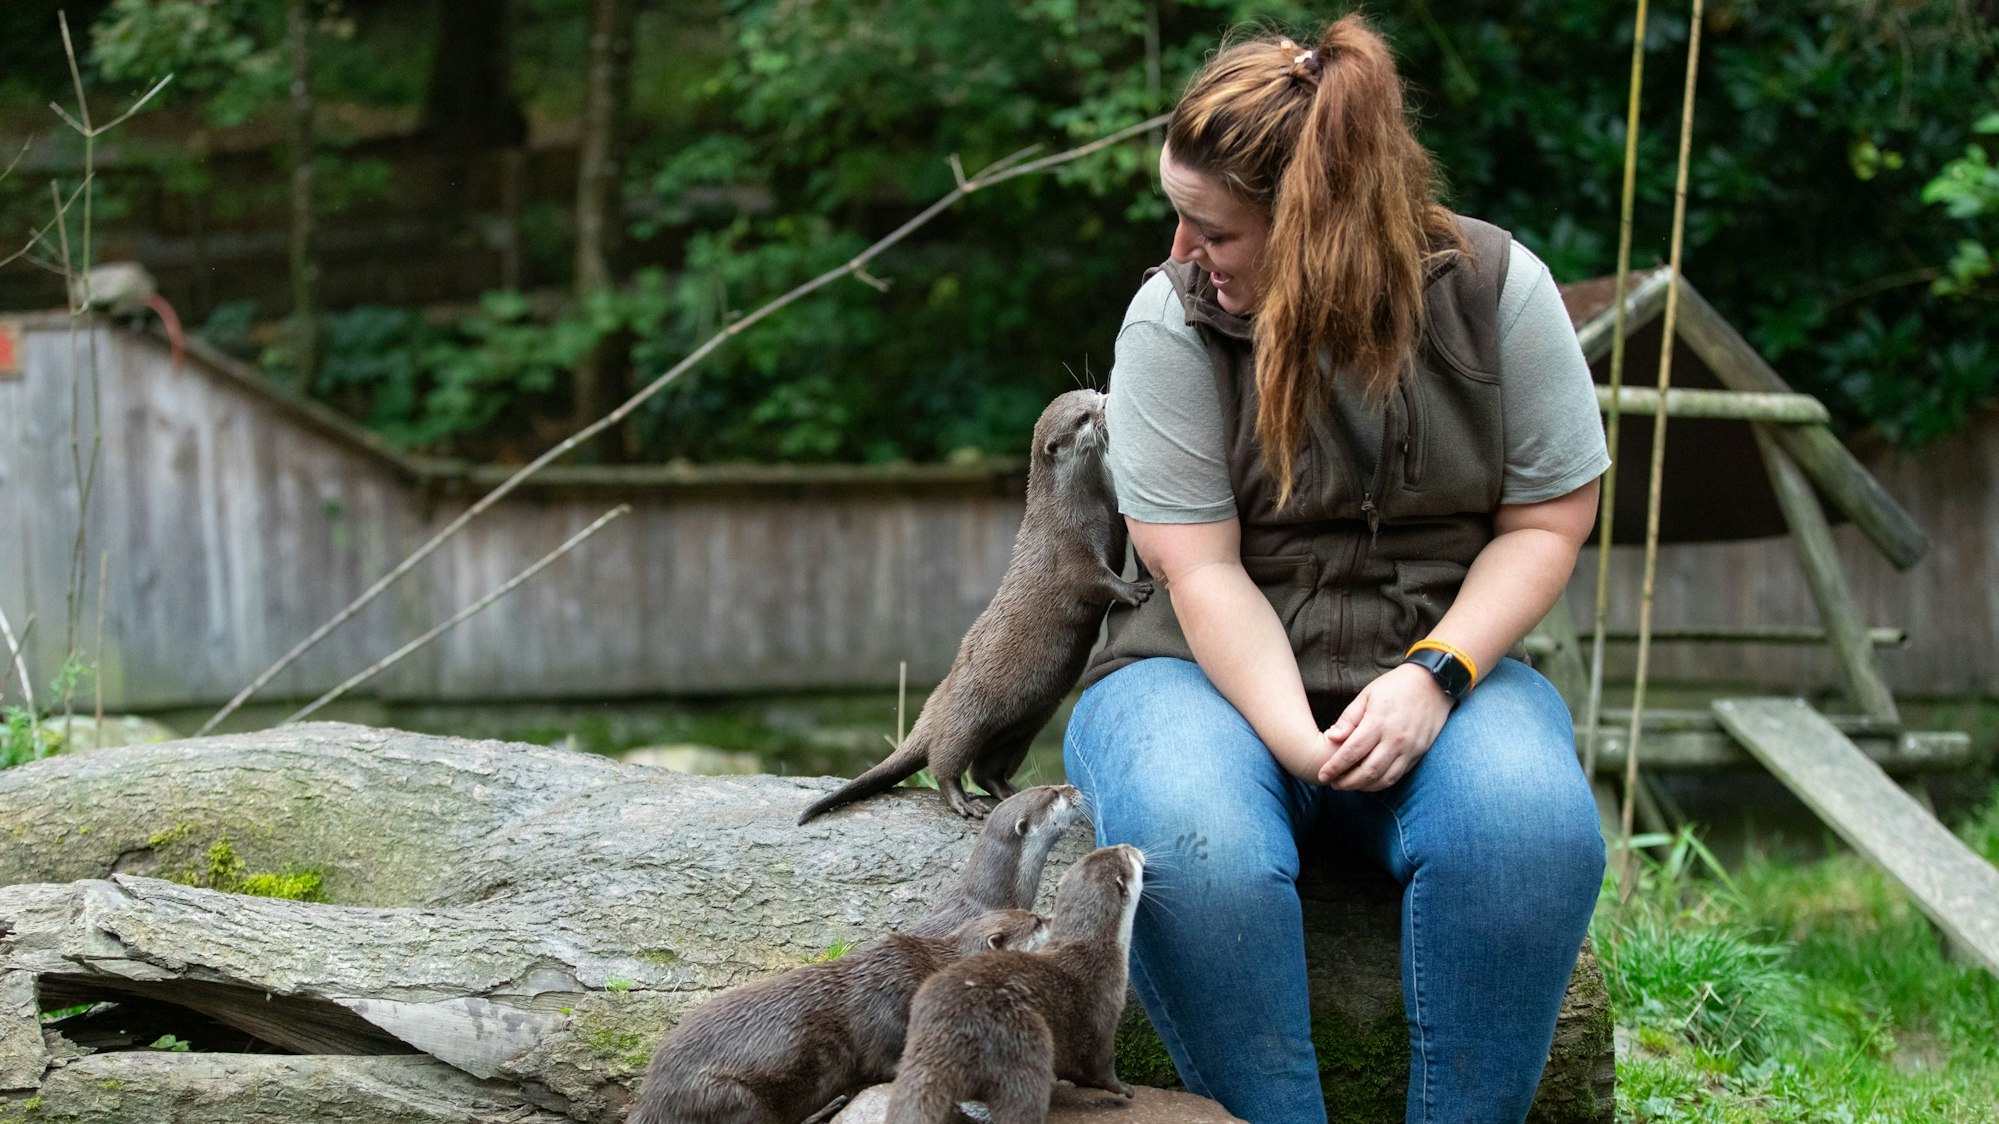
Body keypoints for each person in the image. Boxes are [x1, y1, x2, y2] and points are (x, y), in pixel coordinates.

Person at [1062, 14, 1609, 1124]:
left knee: (1532, 832)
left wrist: (1436, 672)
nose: (1181, 256)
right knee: (1197, 848)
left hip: (1438, 662)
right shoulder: (1169, 323)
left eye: (1211, 230)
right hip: (1192, 671)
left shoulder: (1498, 290)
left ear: (1313, 222)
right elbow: (1200, 570)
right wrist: (1301, 747)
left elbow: (1549, 520)